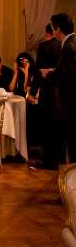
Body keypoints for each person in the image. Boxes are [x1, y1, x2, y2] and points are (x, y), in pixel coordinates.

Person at [28, 24, 61, 169]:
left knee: (46, 125)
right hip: (60, 91)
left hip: (48, 90)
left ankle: (48, 161)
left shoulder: (44, 47)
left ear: (47, 32)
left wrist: (33, 92)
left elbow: (37, 72)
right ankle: (59, 159)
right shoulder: (62, 45)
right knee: (57, 125)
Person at [44, 13, 76, 163]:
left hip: (71, 101)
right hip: (70, 100)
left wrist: (49, 75)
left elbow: (68, 76)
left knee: (73, 142)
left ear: (58, 29)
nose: (52, 31)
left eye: (53, 27)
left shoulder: (69, 46)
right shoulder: (72, 42)